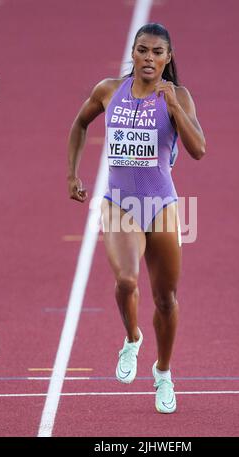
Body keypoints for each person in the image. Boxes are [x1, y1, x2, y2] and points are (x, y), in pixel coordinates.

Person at [67, 23, 206, 414]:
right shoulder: (109, 90)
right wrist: (71, 174)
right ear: (133, 52)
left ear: (168, 58)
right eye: (142, 50)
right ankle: (132, 339)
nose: (148, 57)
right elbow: (79, 124)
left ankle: (163, 372)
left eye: (157, 52)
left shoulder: (177, 95)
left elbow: (199, 150)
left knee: (166, 299)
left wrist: (175, 107)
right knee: (127, 280)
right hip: (119, 204)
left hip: (161, 205)